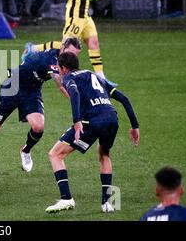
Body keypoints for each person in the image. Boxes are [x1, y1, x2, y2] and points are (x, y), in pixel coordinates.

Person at [0, 38, 82, 186]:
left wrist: (26, 55)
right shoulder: (52, 61)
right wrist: (80, 105)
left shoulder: (61, 57)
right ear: (63, 48)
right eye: (70, 53)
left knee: (38, 126)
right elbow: (62, 86)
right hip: (13, 87)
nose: (72, 58)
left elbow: (31, 47)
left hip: (32, 91)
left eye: (76, 55)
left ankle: (26, 150)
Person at [45, 52, 139, 213]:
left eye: (60, 68)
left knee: (55, 154)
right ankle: (107, 203)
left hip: (92, 121)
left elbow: (73, 93)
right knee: (104, 154)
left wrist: (77, 121)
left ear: (64, 68)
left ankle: (66, 199)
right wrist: (134, 126)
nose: (59, 71)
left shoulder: (69, 77)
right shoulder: (92, 75)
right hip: (111, 119)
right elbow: (123, 98)